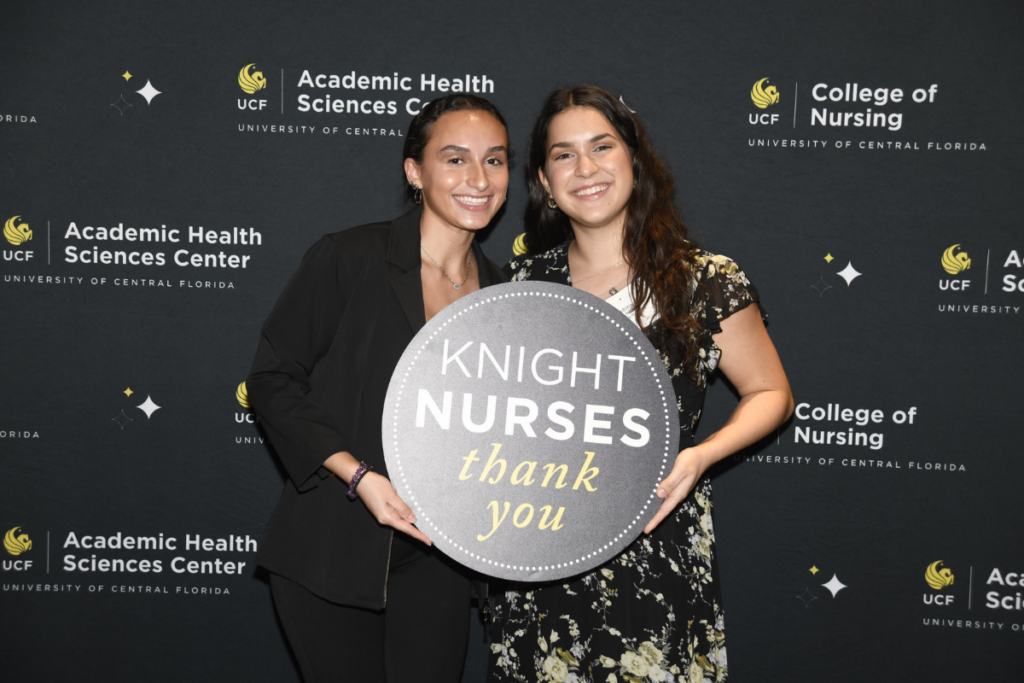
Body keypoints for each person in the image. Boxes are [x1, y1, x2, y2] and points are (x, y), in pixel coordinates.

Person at [489, 85, 793, 683]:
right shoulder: (521, 285)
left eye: (602, 146)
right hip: (538, 550)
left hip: (655, 547)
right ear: (545, 183)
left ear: (634, 159)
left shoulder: (705, 280)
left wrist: (701, 456)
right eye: (563, 155)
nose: (586, 168)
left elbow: (770, 393)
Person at [246, 93, 511, 683]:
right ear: (414, 172)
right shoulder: (351, 256)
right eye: (454, 159)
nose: (477, 179)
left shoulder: (507, 297)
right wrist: (358, 475)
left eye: (494, 161)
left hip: (441, 554)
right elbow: (272, 378)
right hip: (331, 546)